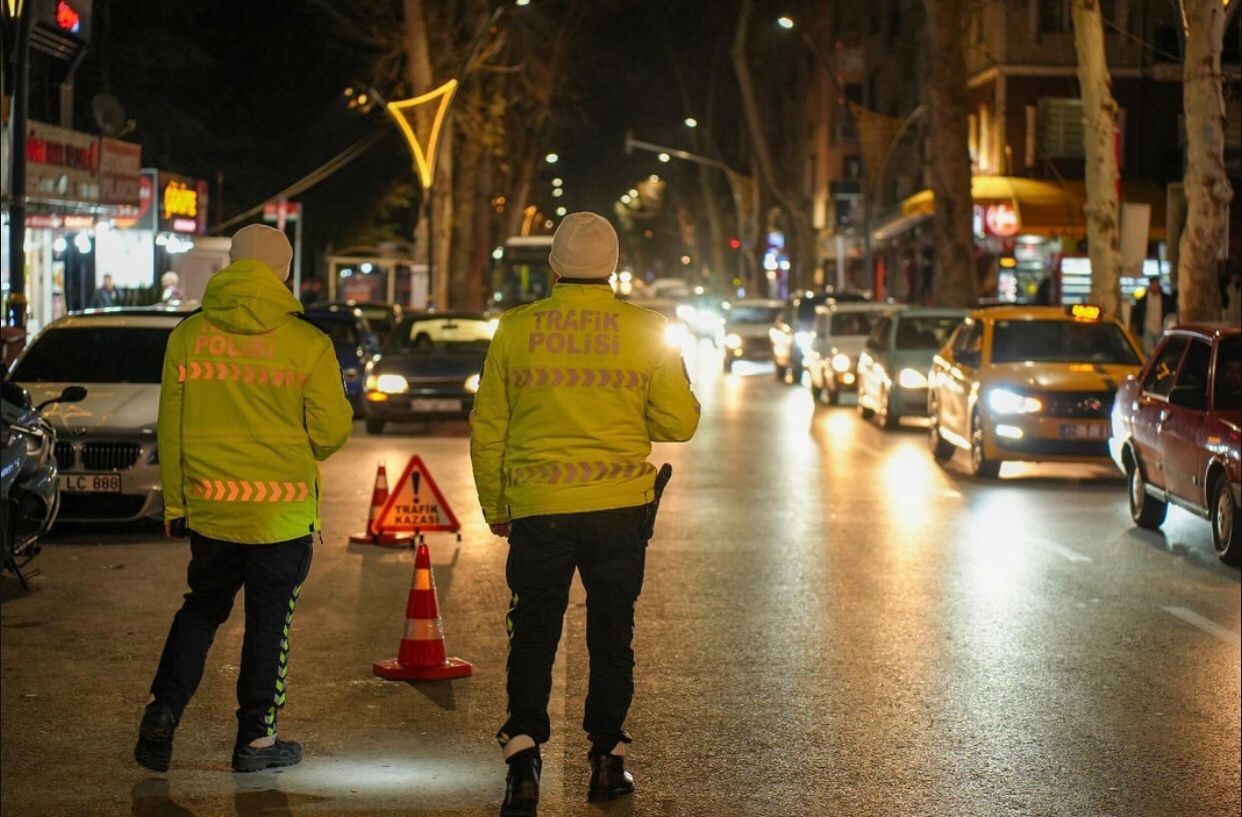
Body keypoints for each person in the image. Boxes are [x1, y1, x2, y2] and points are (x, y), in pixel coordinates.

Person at [470, 212, 701, 817]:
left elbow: (489, 426)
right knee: (611, 633)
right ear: (614, 268)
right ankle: (607, 759)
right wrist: (630, 414)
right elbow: (680, 422)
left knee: (534, 630)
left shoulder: (515, 330)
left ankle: (523, 761)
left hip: (540, 511)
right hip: (619, 510)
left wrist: (497, 505)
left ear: (554, 266)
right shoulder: (647, 330)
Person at [134, 224, 353, 774]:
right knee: (268, 622)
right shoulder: (308, 343)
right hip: (280, 516)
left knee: (202, 609)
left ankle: (162, 713)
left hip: (211, 509)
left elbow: (172, 428)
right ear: (283, 271)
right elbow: (330, 433)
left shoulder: (188, 335)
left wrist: (178, 505)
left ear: (232, 265)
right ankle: (256, 741)